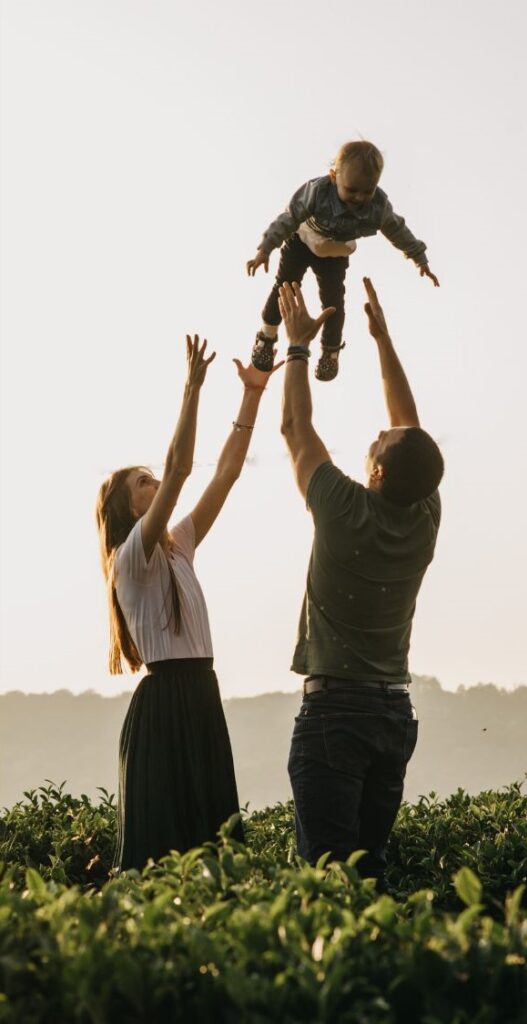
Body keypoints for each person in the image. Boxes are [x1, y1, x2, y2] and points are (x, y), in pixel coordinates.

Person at [277, 277, 444, 885]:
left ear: (374, 472)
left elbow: (296, 430)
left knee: (325, 881)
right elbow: (412, 433)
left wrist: (297, 348)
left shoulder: (344, 509)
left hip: (337, 713)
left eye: (377, 441)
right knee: (369, 876)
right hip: (392, 715)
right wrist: (382, 340)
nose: (377, 431)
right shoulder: (424, 513)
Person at [95, 335, 275, 871]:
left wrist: (252, 395)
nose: (156, 485)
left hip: (200, 695)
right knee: (164, 857)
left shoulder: (179, 547)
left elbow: (226, 473)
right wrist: (192, 390)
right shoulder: (131, 557)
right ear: (127, 507)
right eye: (142, 483)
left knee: (215, 850)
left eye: (152, 479)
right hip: (165, 706)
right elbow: (181, 469)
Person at [246, 140, 439, 382]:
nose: (359, 198)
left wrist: (419, 259)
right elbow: (289, 217)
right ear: (334, 176)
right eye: (351, 190)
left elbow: (398, 231)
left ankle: (331, 351)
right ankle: (267, 335)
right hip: (303, 240)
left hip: (335, 253)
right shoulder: (317, 191)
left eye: (367, 192)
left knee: (333, 301)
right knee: (286, 285)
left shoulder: (378, 207)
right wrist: (265, 249)